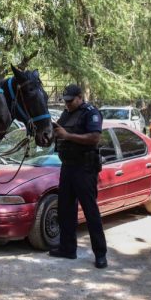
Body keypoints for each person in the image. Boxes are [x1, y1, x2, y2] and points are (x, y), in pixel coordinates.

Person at [50, 84, 108, 269]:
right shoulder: (67, 113)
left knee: (91, 212)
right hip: (67, 166)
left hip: (85, 168)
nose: (67, 104)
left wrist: (67, 135)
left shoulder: (90, 112)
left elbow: (94, 138)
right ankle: (67, 249)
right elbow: (60, 133)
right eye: (65, 100)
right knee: (65, 210)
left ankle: (100, 254)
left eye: (70, 100)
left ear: (79, 97)